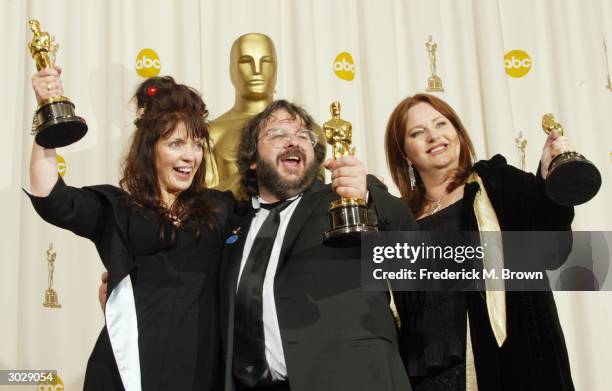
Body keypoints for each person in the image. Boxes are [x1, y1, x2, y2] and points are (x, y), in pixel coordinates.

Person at [27, 68, 230, 390]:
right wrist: (47, 113)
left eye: (196, 144)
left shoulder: (223, 208)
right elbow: (51, 197)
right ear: (150, 148)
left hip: (201, 369)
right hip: (126, 368)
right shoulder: (117, 208)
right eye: (176, 143)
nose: (190, 156)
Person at [220, 100, 416, 391]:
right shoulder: (232, 226)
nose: (293, 142)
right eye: (277, 134)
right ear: (252, 158)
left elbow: (411, 251)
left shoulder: (343, 199)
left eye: (303, 136)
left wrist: (365, 195)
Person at [384, 93, 575, 390]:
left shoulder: (499, 184)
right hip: (428, 377)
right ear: (405, 153)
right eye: (417, 132)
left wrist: (554, 185)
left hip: (507, 367)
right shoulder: (397, 221)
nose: (434, 136)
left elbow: (552, 250)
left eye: (441, 124)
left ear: (458, 131)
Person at [205, 33, 325, 197]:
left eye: (266, 62)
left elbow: (316, 195)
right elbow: (205, 201)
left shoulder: (311, 132)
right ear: (231, 70)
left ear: (276, 68)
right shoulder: (211, 132)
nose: (257, 70)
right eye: (246, 61)